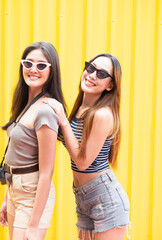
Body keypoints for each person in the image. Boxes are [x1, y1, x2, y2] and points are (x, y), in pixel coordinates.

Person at [43, 53, 131, 240]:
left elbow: (82, 162)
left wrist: (62, 119)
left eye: (101, 74)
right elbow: (65, 140)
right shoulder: (81, 109)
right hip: (84, 198)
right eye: (90, 68)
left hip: (105, 199)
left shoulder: (102, 115)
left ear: (110, 85)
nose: (92, 74)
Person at [0, 41, 66, 240]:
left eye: (41, 65)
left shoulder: (45, 110)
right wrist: (7, 198)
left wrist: (34, 225)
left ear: (51, 70)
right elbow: (16, 155)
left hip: (31, 194)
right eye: (28, 64)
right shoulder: (24, 103)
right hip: (15, 191)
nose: (33, 69)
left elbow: (47, 172)